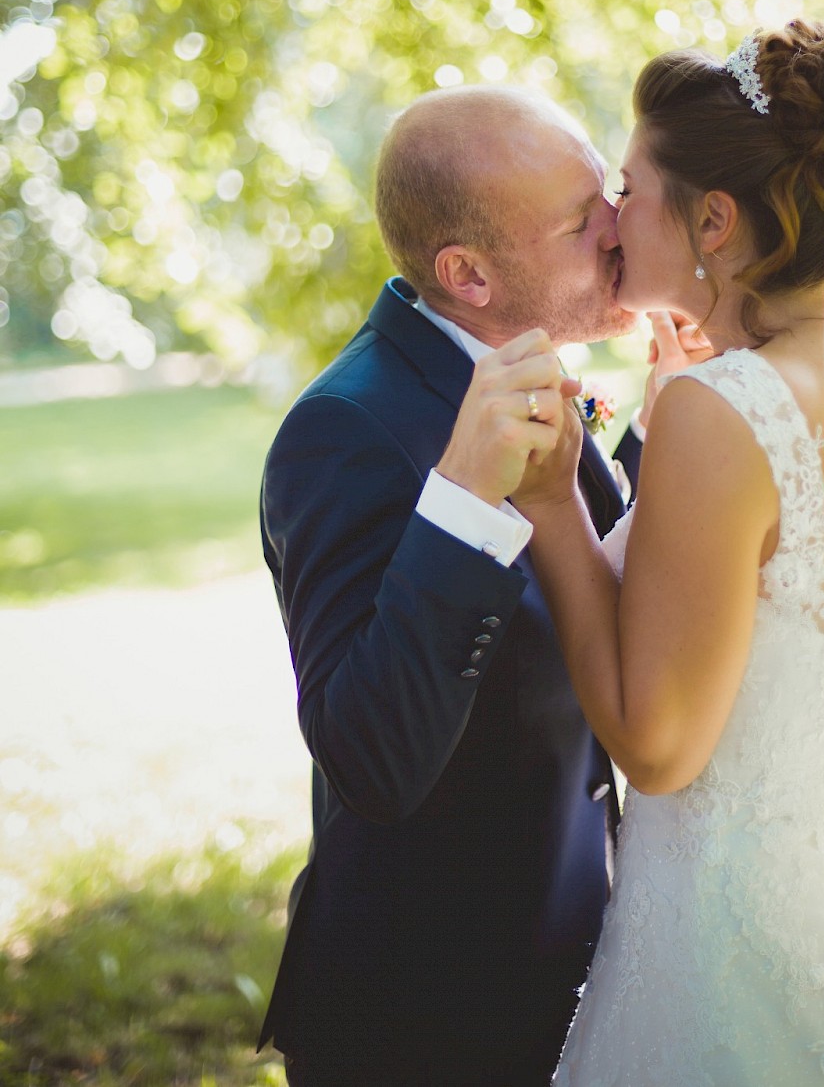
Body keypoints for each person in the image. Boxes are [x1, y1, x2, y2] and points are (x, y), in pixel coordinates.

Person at [454, 22, 824, 1084]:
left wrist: (558, 506)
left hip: (716, 960)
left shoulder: (725, 407)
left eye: (628, 186)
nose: (610, 215)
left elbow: (658, 747)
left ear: (712, 218)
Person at [256, 83, 702, 1086]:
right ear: (468, 274)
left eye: (607, 197)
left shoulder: (530, 366)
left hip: (578, 970)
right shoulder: (347, 433)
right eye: (580, 222)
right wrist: (459, 499)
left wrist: (661, 431)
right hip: (431, 1019)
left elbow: (576, 573)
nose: (617, 228)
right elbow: (371, 761)